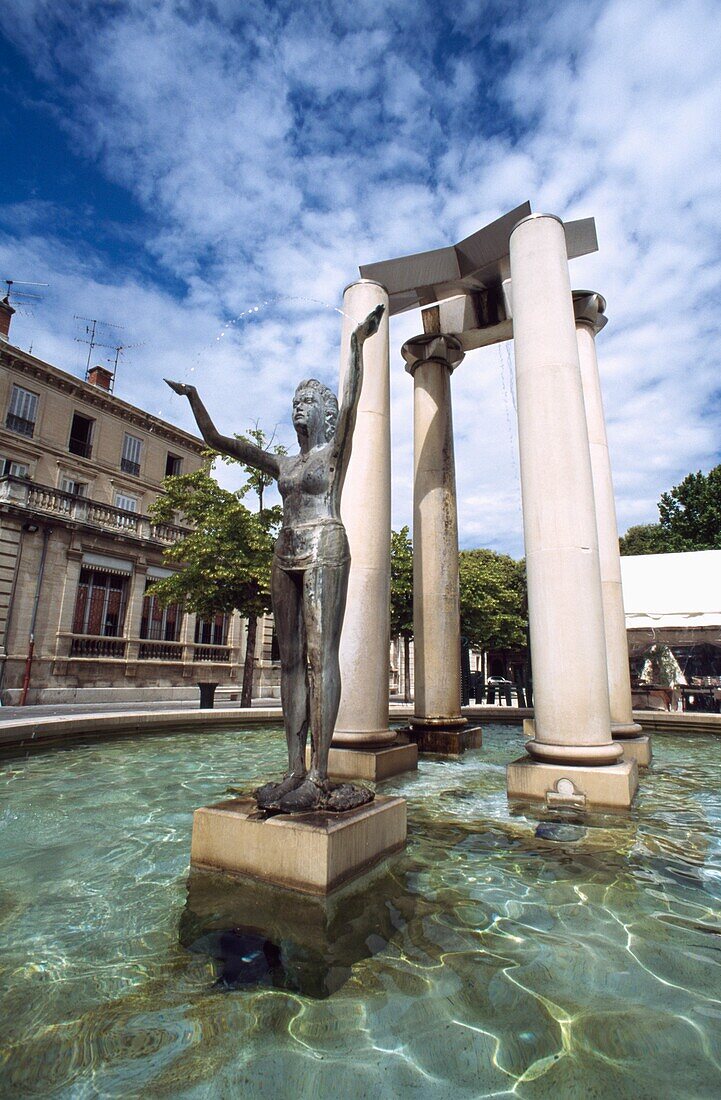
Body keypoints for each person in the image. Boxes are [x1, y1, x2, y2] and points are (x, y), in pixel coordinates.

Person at [165, 303, 384, 812]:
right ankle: (292, 769)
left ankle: (322, 774)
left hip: (325, 543)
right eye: (293, 400)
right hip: (284, 548)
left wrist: (357, 343)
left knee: (318, 655)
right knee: (288, 660)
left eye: (307, 400)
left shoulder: (334, 453)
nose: (297, 407)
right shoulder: (284, 462)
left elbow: (353, 399)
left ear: (326, 413)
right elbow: (220, 442)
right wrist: (196, 398)